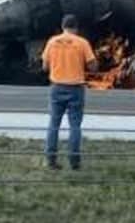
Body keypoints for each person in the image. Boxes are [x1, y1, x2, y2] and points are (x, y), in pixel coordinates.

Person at [41, 14, 97, 170]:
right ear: (76, 28)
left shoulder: (52, 42)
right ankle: (74, 162)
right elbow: (93, 66)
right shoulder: (82, 43)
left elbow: (45, 67)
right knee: (75, 126)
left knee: (54, 124)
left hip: (57, 87)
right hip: (76, 88)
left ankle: (50, 160)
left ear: (62, 27)